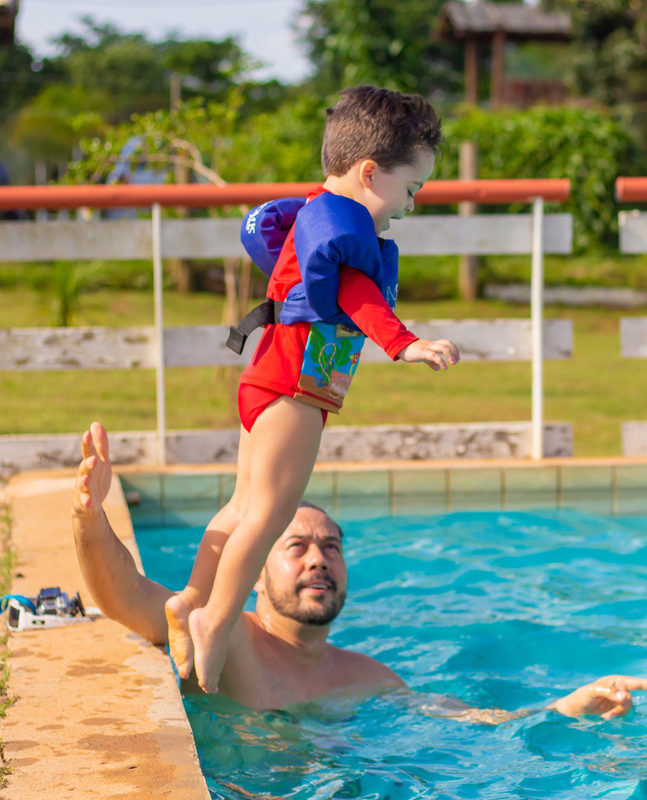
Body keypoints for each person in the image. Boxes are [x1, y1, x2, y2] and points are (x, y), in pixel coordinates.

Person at [167, 86, 462, 695]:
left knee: (242, 503)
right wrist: (405, 343)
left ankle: (191, 598)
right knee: (270, 513)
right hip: (296, 389)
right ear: (369, 173)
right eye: (410, 190)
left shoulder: (314, 215)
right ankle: (214, 620)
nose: (409, 206)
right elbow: (358, 295)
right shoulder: (343, 229)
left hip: (265, 375)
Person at [74, 422, 647, 719]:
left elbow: (475, 724)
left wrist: (566, 705)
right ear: (252, 570)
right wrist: (90, 517)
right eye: (298, 546)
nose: (319, 559)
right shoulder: (225, 637)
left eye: (332, 547)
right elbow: (126, 597)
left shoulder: (369, 678)